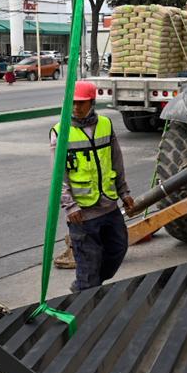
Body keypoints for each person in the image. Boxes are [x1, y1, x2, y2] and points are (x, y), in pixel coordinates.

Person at [52, 81, 135, 292]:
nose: (76, 107)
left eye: (81, 103)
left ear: (92, 102)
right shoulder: (60, 131)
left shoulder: (106, 125)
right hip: (82, 213)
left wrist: (124, 192)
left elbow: (116, 161)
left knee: (117, 249)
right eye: (72, 103)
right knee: (88, 267)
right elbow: (58, 175)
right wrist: (70, 206)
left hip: (109, 205)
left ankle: (88, 285)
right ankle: (85, 291)